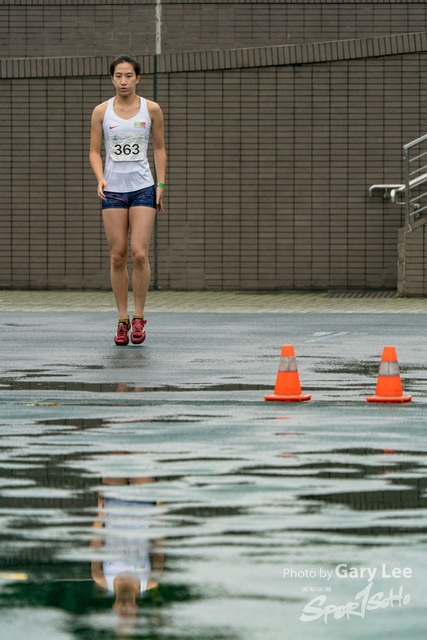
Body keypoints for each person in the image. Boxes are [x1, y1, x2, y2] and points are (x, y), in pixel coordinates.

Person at [90, 54, 166, 346]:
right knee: (117, 255)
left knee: (139, 253)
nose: (123, 81)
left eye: (128, 76)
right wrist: (100, 177)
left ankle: (139, 317)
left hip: (143, 187)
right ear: (112, 79)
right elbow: (94, 151)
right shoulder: (101, 111)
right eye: (118, 76)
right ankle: (122, 319)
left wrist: (160, 183)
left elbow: (159, 148)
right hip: (113, 189)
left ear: (138, 78)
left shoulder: (151, 109)